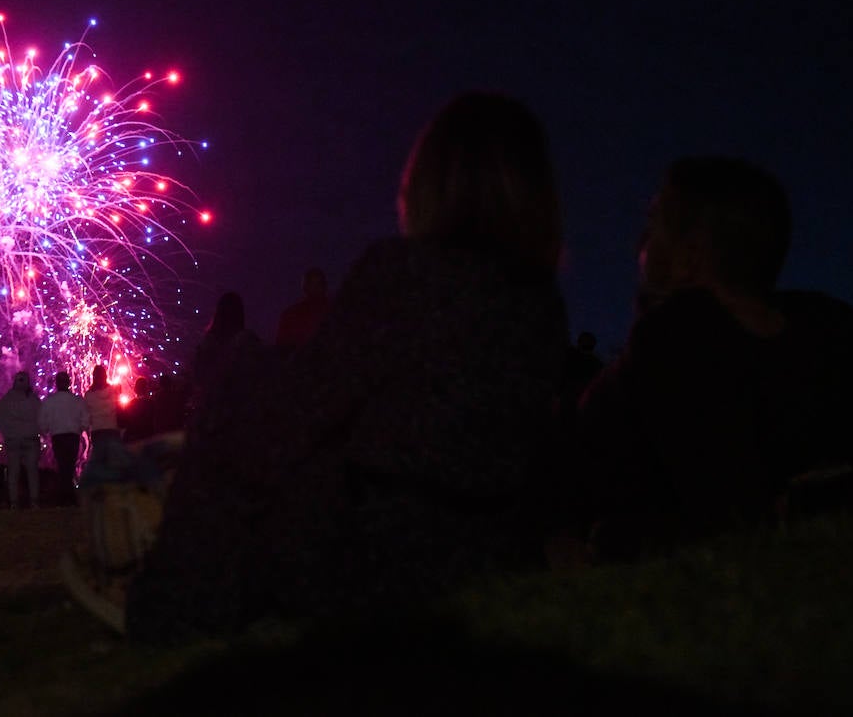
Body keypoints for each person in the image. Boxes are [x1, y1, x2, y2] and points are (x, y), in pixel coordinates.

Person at [65, 91, 570, 641]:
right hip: (490, 550)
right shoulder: (541, 305)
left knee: (244, 394)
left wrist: (243, 389)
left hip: (382, 556)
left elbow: (301, 411)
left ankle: (167, 602)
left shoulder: (402, 276)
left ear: (428, 185)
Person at [559, 156, 853, 563]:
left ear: (689, 256)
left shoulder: (674, 337)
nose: (640, 242)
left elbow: (727, 512)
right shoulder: (832, 324)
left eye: (653, 223)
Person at [39, 370, 90, 507]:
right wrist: (81, 428)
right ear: (68, 383)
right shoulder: (77, 400)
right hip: (73, 437)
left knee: (62, 466)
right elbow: (85, 419)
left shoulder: (50, 401)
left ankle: (64, 497)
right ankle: (69, 496)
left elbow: (43, 422)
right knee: (70, 465)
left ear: (56, 384)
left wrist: (46, 432)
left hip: (58, 437)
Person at [0, 371, 43, 509]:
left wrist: (8, 434)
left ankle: (13, 502)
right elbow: (42, 418)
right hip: (31, 439)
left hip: (13, 440)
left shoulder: (6, 400)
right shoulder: (34, 399)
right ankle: (34, 501)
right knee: (32, 471)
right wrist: (36, 431)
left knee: (13, 472)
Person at [81, 365, 124, 477]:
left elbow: (86, 417)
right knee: (114, 462)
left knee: (101, 462)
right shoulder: (113, 391)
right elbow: (120, 408)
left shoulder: (88, 395)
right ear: (105, 376)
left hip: (97, 431)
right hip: (112, 429)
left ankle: (103, 487)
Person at [273, 266, 330, 350]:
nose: (315, 288)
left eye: (319, 284)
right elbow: (281, 346)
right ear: (304, 287)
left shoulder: (334, 311)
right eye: (311, 284)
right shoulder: (290, 315)